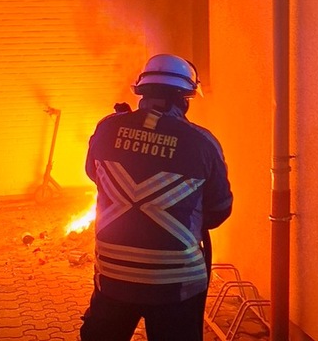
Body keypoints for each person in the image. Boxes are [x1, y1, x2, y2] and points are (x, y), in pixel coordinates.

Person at [80, 53, 234, 341]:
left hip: (113, 277)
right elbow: (220, 210)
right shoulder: (202, 142)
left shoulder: (107, 128)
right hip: (177, 285)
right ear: (183, 99)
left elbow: (92, 173)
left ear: (142, 93)